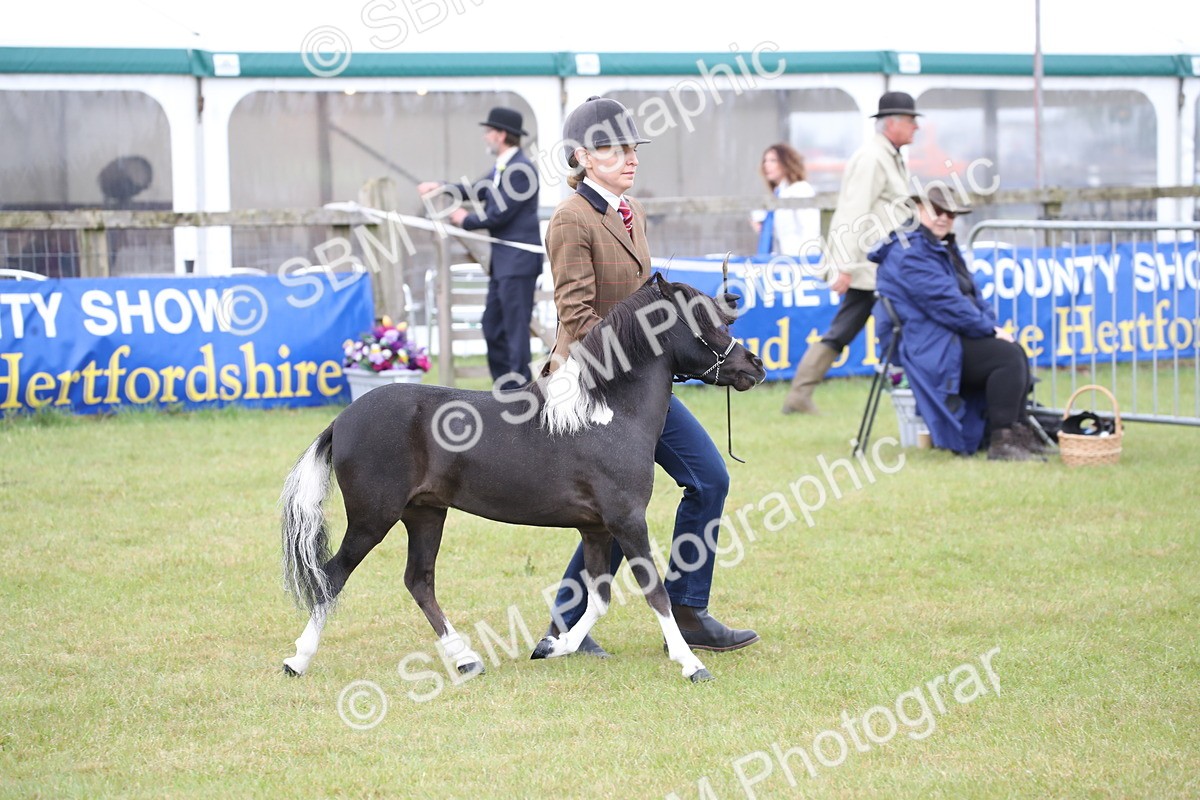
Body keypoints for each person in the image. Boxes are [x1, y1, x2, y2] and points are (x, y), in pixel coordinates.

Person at [538, 96, 760, 657]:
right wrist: (659, 350)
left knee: (709, 479)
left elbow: (644, 303)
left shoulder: (627, 212)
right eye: (615, 149)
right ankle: (567, 625)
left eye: (633, 147)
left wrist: (704, 317)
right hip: (593, 383)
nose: (630, 157)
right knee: (619, 501)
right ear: (584, 158)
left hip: (638, 386)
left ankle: (688, 611)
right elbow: (579, 318)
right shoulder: (570, 219)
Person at [871, 186, 1043, 461]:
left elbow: (973, 297)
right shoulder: (910, 252)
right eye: (937, 211)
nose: (944, 218)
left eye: (950, 214)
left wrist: (991, 326)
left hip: (944, 337)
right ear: (918, 209)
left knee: (1012, 350)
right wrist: (988, 330)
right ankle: (1002, 442)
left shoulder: (939, 246)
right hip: (925, 346)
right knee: (1006, 356)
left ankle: (1017, 431)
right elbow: (947, 304)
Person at [782, 91, 921, 414]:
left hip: (882, 266)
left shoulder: (887, 156)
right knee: (900, 324)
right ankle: (908, 388)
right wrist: (844, 265)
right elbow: (853, 213)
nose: (916, 127)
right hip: (871, 266)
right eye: (911, 120)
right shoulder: (873, 158)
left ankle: (799, 395)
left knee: (847, 328)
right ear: (893, 123)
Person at [418, 106, 543, 386]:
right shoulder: (502, 168)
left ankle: (521, 391)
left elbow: (500, 213)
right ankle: (505, 387)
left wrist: (466, 220)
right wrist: (440, 186)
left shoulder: (522, 170)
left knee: (515, 330)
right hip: (503, 265)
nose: (485, 137)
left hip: (519, 263)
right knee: (492, 326)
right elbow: (475, 190)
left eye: (489, 132)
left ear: (500, 135)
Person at [753, 143, 818, 256]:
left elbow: (810, 230)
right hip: (780, 262)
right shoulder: (777, 195)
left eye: (773, 160)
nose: (766, 165)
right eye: (765, 161)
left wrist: (805, 263)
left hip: (798, 262)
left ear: (786, 162)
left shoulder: (800, 189)